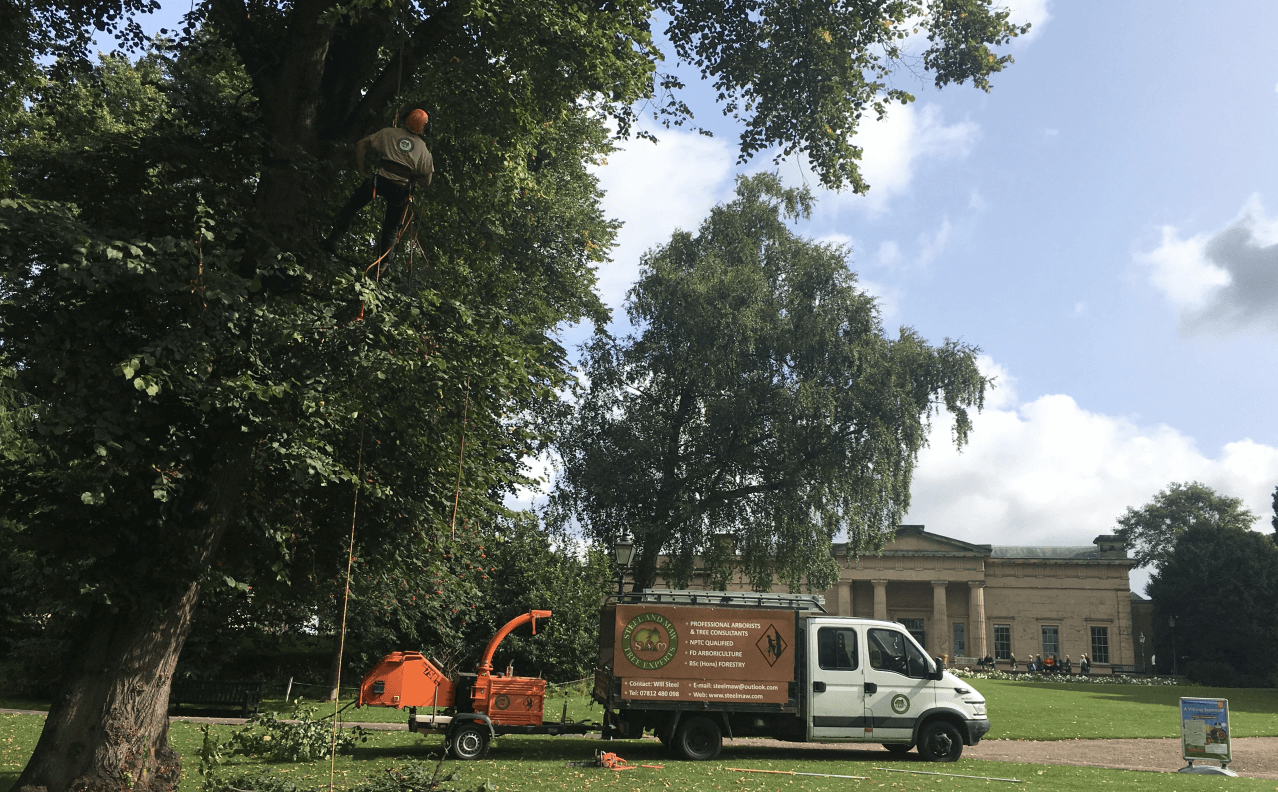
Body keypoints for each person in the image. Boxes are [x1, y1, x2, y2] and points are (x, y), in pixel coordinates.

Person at [325, 108, 434, 267]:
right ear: (423, 128)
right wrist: (411, 178)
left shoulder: (388, 133)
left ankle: (333, 240)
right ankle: (382, 265)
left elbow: (361, 143)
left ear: (406, 119)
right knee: (391, 228)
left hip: (379, 182)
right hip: (400, 188)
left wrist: (362, 171)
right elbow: (427, 181)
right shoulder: (423, 149)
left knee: (351, 207)